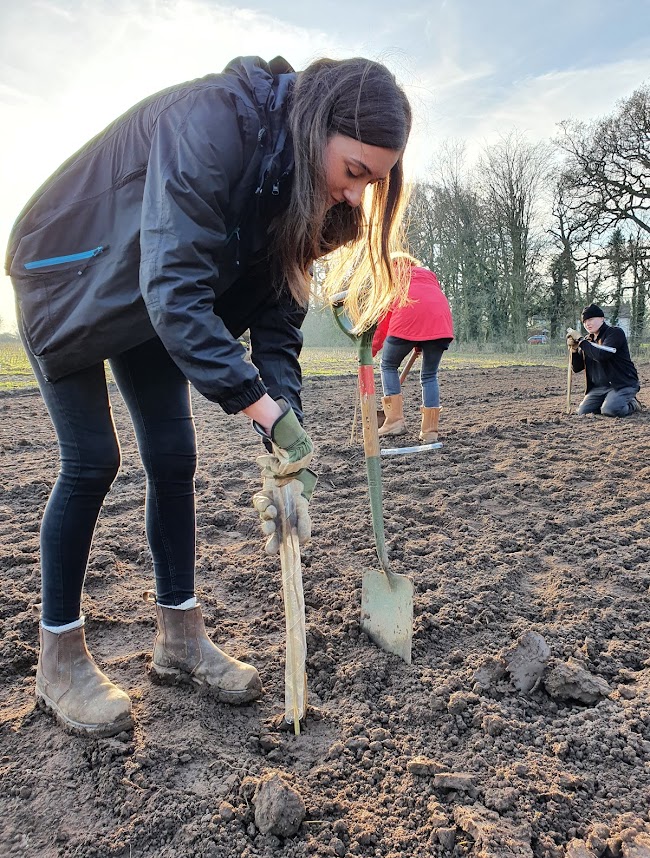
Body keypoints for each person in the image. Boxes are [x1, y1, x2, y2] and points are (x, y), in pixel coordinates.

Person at [5, 55, 412, 737]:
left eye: (372, 182)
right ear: (317, 128)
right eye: (353, 172)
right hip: (69, 275)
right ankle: (59, 659)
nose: (355, 196)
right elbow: (175, 291)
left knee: (173, 456)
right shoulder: (213, 123)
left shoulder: (301, 191)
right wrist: (262, 411)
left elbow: (278, 325)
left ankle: (180, 639)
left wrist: (287, 426)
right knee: (92, 459)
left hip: (144, 293)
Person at [371, 258, 454, 443]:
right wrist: (419, 341)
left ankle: (394, 422)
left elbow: (384, 318)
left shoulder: (391, 277)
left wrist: (372, 348)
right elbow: (427, 304)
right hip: (441, 323)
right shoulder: (428, 275)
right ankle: (430, 432)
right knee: (429, 375)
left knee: (388, 365)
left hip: (407, 321)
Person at [567, 303, 641, 417]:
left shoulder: (615, 333)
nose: (587, 324)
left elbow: (602, 355)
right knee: (583, 412)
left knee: (610, 410)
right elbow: (577, 368)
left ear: (602, 318)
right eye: (584, 321)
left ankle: (633, 404)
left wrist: (581, 341)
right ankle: (609, 401)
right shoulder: (588, 340)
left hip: (621, 384)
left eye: (590, 319)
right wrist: (574, 350)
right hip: (598, 387)